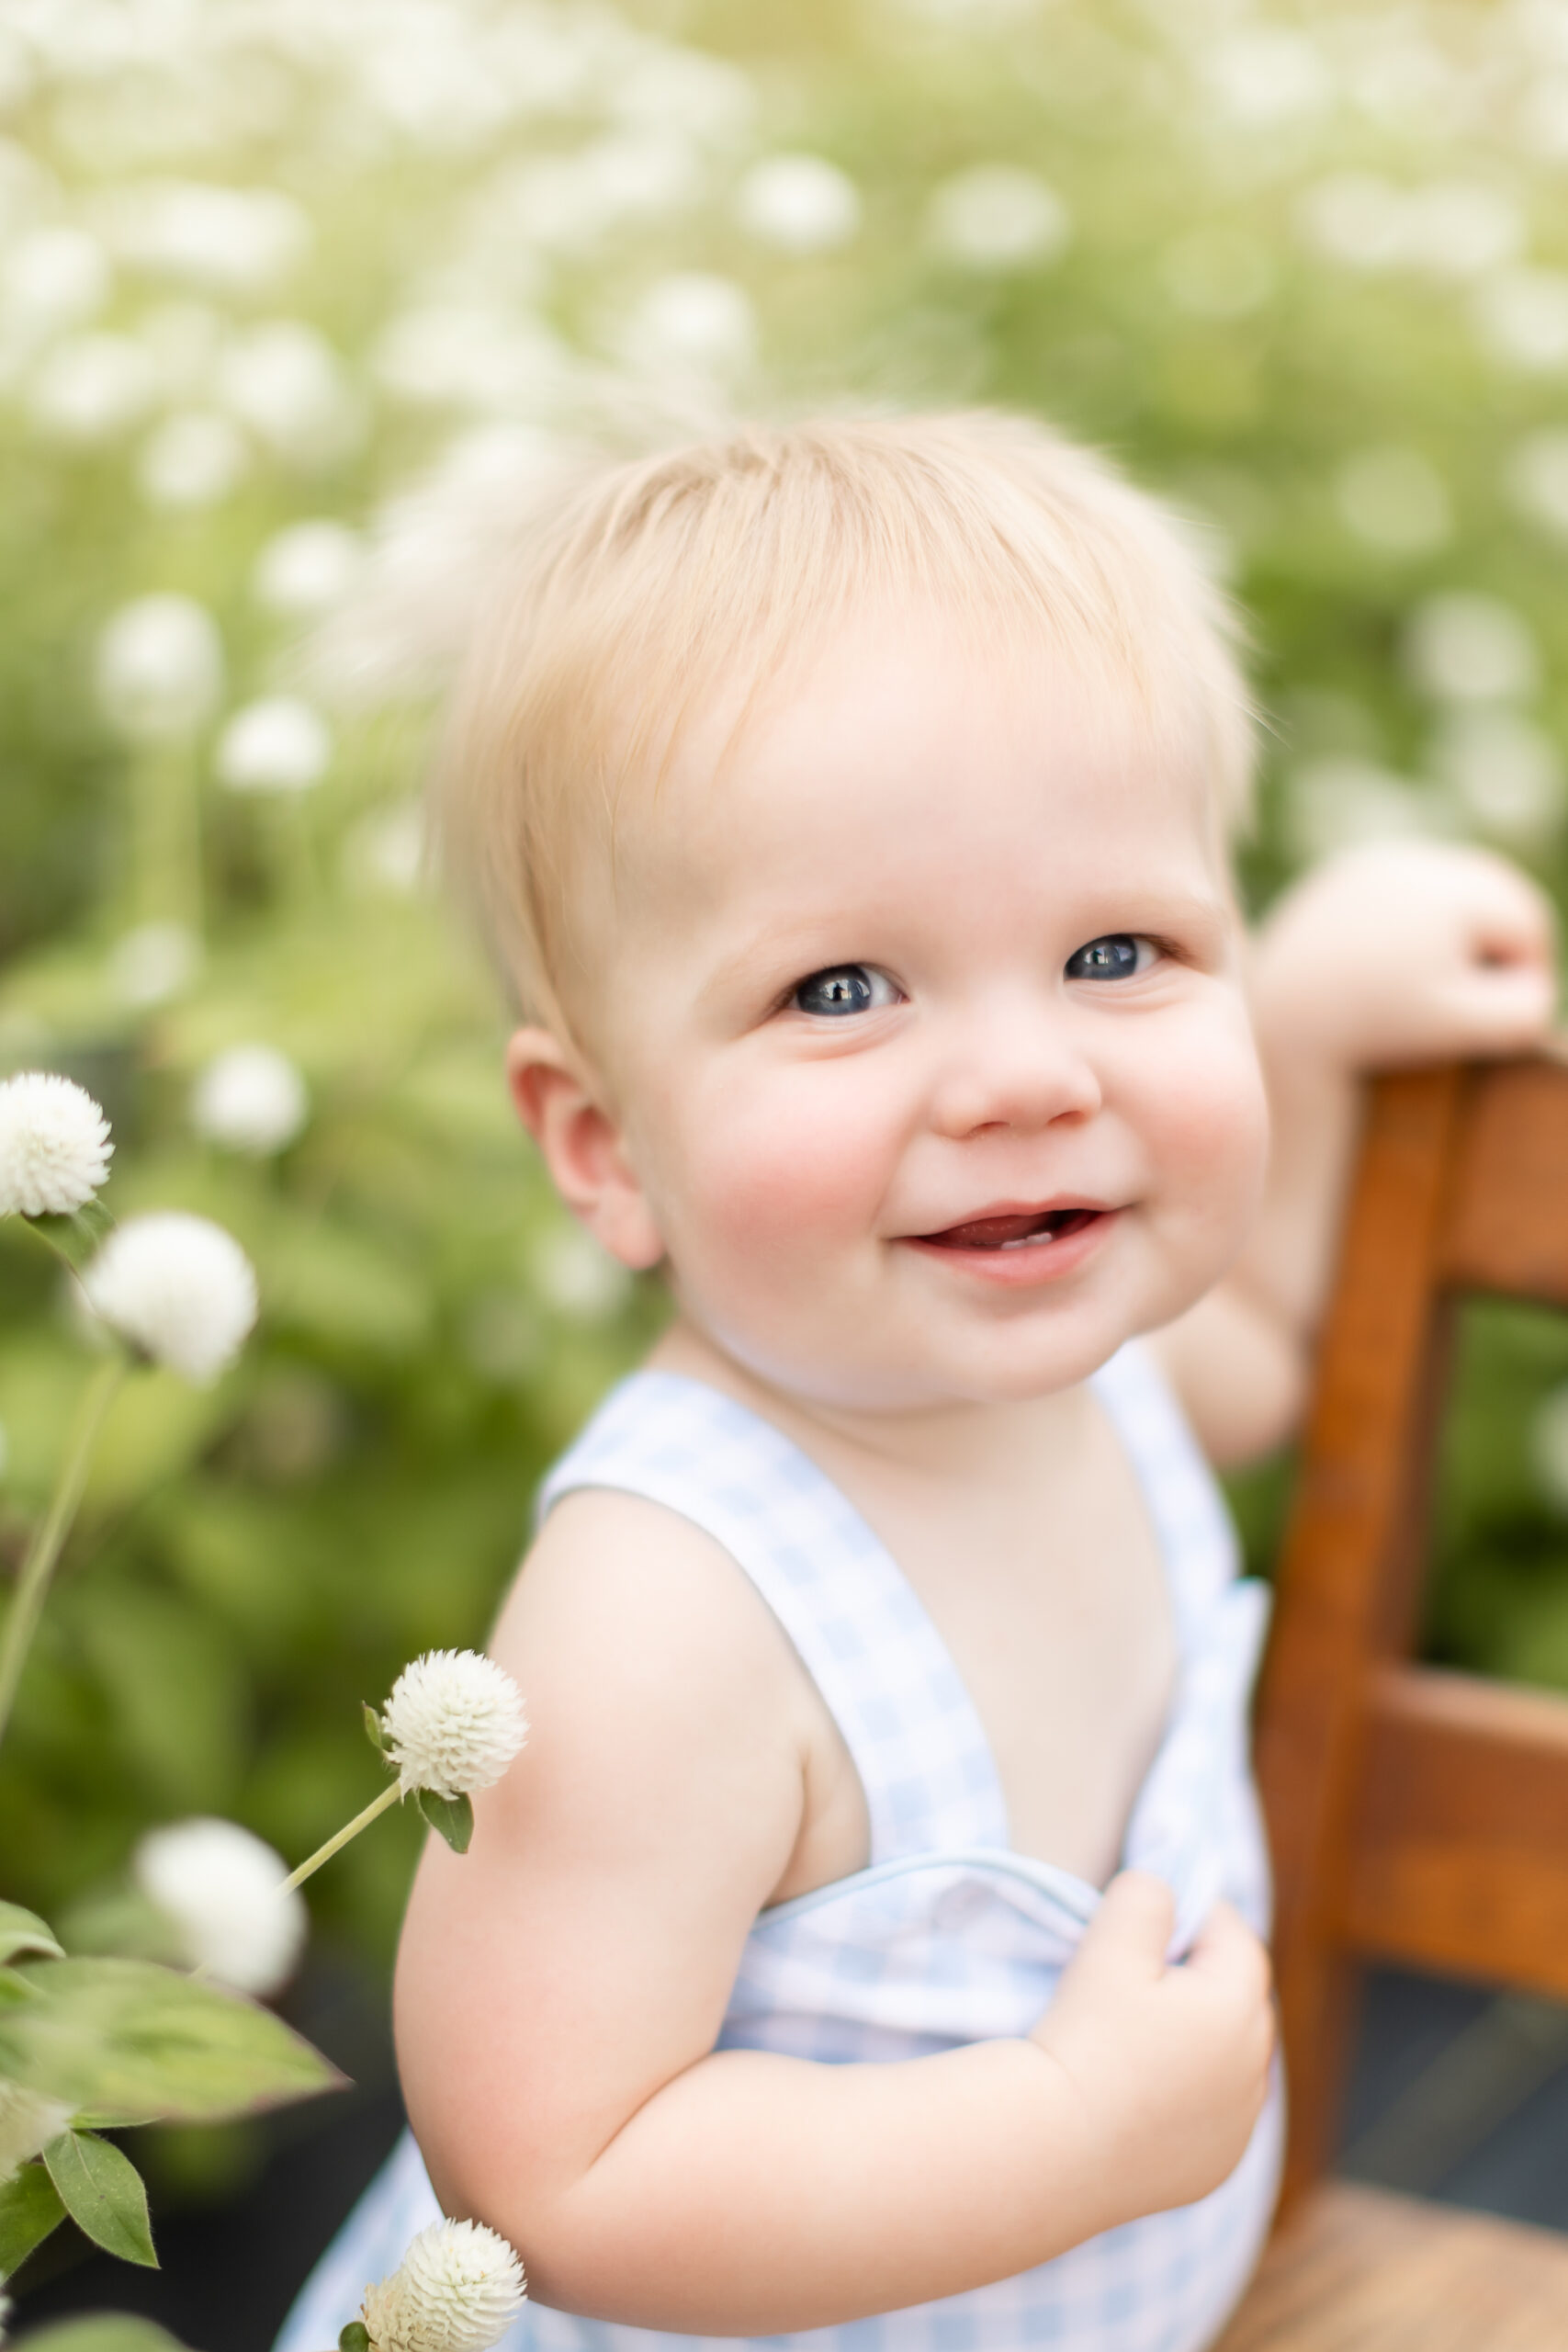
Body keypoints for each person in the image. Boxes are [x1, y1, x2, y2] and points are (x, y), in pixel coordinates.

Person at [276, 413, 1556, 2352]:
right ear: (604, 1140)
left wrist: (1291, 1015)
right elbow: (552, 2167)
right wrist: (1064, 2126)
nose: (1027, 1077)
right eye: (844, 989)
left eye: (1117, 948)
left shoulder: (1089, 1362)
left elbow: (1263, 1352)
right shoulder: (666, 1616)